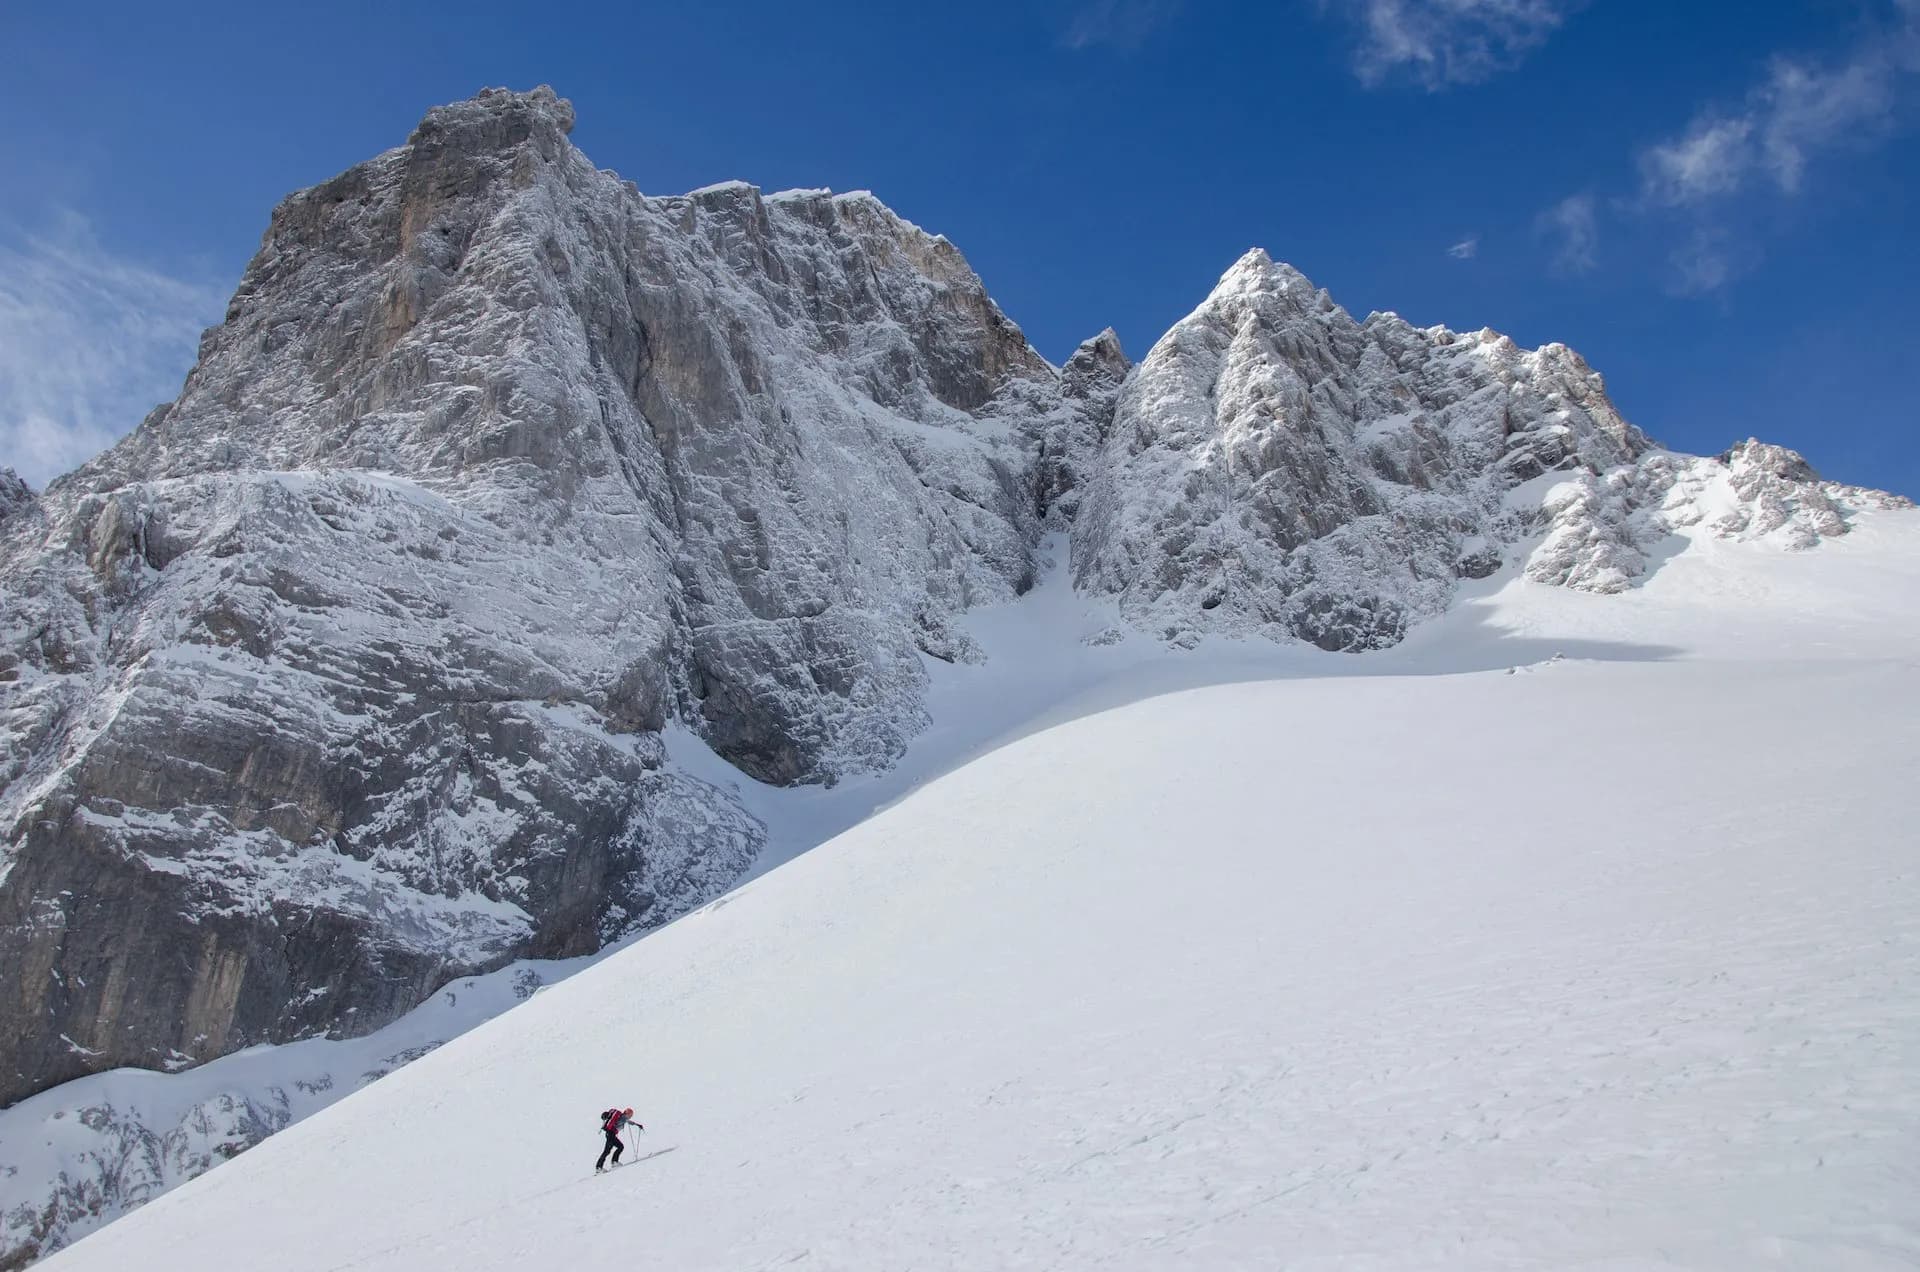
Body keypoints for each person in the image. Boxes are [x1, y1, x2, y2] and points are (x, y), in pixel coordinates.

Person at [596, 1106, 643, 1172]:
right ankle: (600, 1167)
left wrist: (636, 1124)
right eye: (630, 1114)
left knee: (616, 1148)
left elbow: (626, 1121)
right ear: (627, 1113)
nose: (630, 1116)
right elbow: (628, 1121)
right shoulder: (624, 1117)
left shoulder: (621, 1116)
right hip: (611, 1134)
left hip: (610, 1134)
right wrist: (637, 1125)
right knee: (610, 1150)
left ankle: (612, 1163)